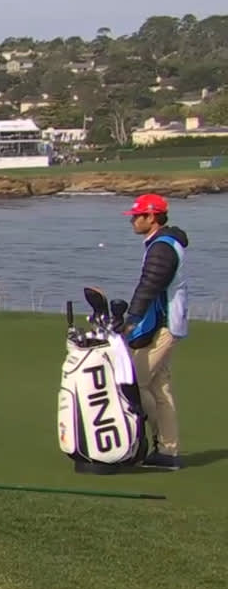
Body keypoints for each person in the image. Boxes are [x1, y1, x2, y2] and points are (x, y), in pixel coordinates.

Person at [119, 193, 190, 470]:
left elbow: (149, 286)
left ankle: (149, 442)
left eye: (138, 216)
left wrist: (130, 320)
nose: (133, 220)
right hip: (167, 323)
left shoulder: (161, 248)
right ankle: (168, 452)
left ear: (152, 217)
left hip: (162, 326)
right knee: (160, 388)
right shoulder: (163, 243)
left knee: (135, 383)